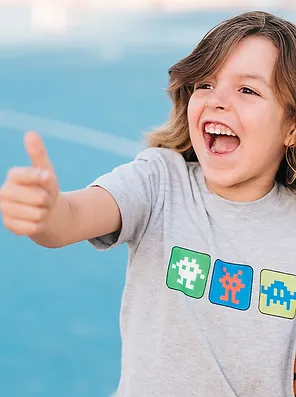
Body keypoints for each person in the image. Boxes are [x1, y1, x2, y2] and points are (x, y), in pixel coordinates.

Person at [1, 10, 296, 397]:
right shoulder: (159, 181)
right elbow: (72, 217)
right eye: (205, 84)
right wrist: (47, 212)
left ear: (291, 127)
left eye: (247, 90)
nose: (218, 100)